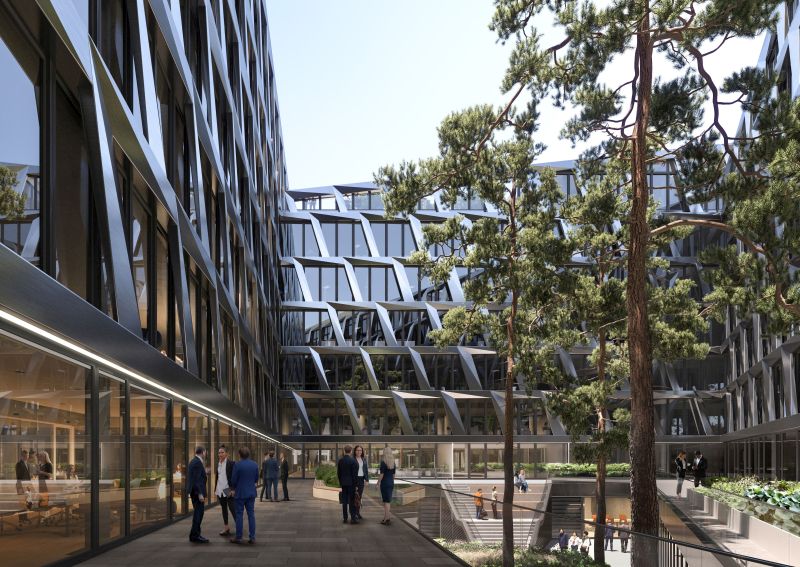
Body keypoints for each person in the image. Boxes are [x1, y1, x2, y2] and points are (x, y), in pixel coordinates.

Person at [229, 446, 259, 544]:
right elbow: (256, 478)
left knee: (239, 515)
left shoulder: (237, 465)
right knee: (251, 515)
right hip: (251, 493)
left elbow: (233, 480)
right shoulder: (254, 464)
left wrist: (233, 488)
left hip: (240, 493)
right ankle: (252, 537)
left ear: (239, 455)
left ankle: (239, 537)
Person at [187, 446, 209, 543]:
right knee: (198, 514)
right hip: (197, 493)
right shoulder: (197, 462)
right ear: (203, 452)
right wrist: (200, 494)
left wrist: (205, 472)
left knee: (199, 513)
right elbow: (196, 480)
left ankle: (194, 534)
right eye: (205, 452)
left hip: (195, 492)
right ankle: (195, 536)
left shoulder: (194, 461)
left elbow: (197, 476)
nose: (206, 454)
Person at [215, 445, 236, 536]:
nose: (220, 454)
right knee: (224, 509)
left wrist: (233, 489)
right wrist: (216, 488)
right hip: (220, 490)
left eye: (222, 452)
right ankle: (226, 528)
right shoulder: (218, 463)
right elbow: (218, 477)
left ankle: (239, 527)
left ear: (226, 454)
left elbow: (234, 477)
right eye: (219, 452)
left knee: (233, 509)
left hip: (228, 489)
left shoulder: (231, 463)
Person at [337, 445, 359, 524]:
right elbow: (355, 475)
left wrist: (340, 482)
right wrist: (356, 485)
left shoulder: (340, 461)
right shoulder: (353, 461)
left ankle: (345, 518)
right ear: (351, 451)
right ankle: (353, 518)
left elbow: (338, 473)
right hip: (351, 484)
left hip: (343, 483)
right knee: (352, 501)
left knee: (344, 501)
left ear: (344, 451)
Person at [378, 446, 396, 525]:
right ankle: (387, 518)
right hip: (391, 483)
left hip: (385, 483)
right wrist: (391, 482)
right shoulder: (393, 462)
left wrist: (378, 482)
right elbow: (393, 475)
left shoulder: (383, 462)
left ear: (385, 453)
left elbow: (382, 475)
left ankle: (386, 519)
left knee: (386, 501)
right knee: (388, 501)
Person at [353, 445, 368, 519]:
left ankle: (358, 513)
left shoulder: (363, 459)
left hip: (361, 479)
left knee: (359, 497)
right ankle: (354, 514)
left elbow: (366, 470)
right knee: (354, 497)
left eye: (360, 450)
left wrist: (367, 479)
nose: (359, 452)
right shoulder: (352, 459)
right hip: (355, 480)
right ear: (355, 451)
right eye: (357, 450)